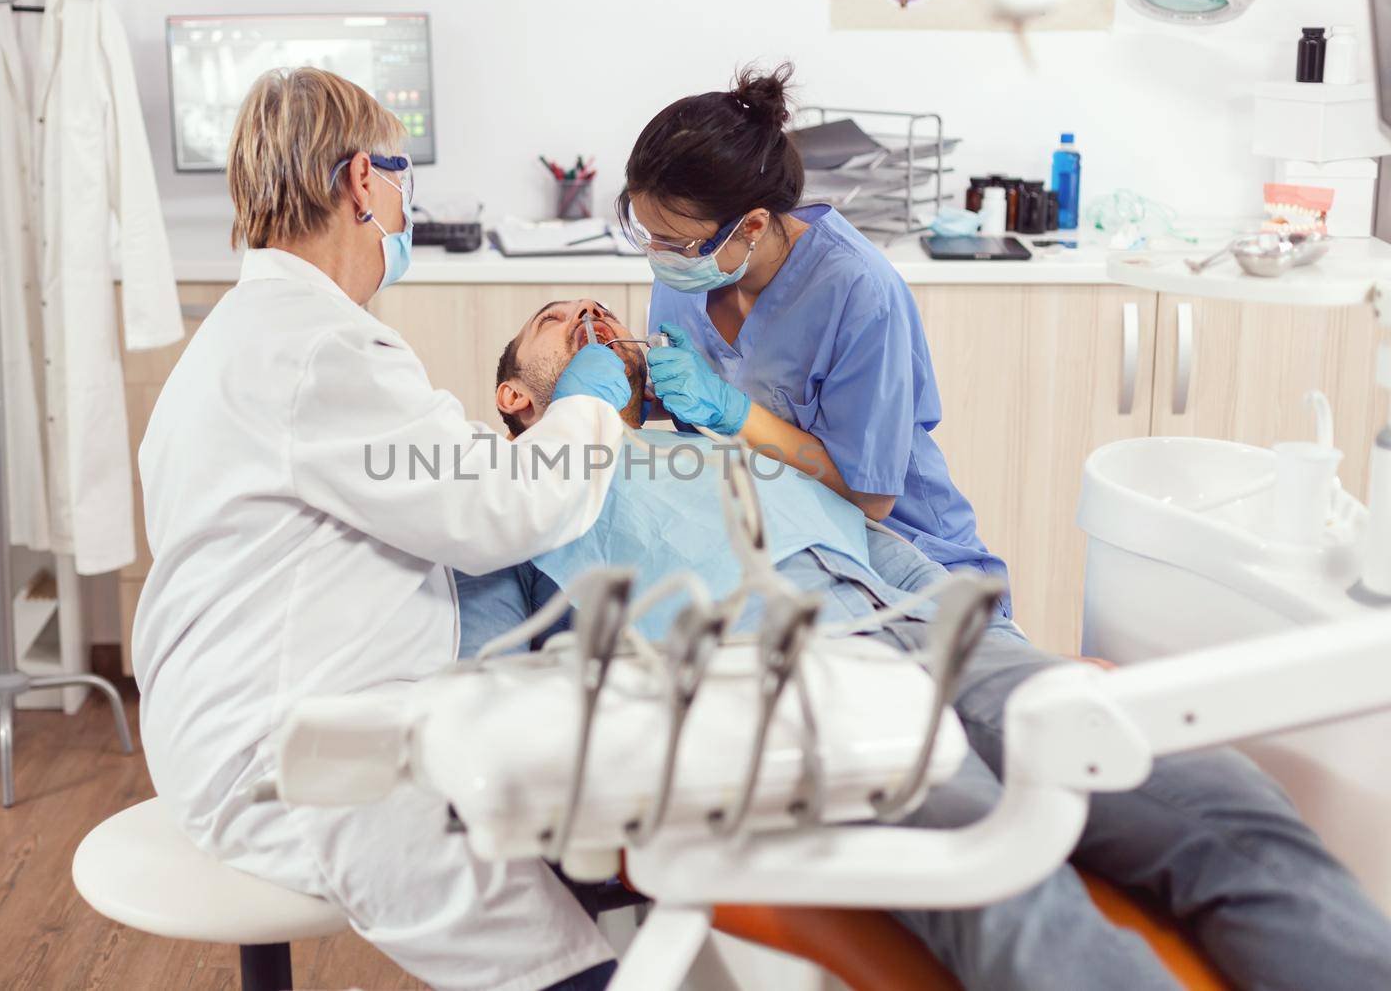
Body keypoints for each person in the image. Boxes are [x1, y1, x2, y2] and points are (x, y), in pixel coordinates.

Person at [458, 298, 1391, 990]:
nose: (588, 313)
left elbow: (888, 553)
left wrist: (1025, 660)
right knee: (1001, 869)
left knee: (1227, 806)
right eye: (555, 319)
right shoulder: (502, 503)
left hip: (942, 643)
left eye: (596, 309)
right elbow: (492, 685)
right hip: (789, 686)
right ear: (512, 392)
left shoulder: (722, 443)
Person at [131, 68, 632, 991]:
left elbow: (429, 479)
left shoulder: (260, 334)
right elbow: (499, 508)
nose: (405, 206)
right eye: (402, 179)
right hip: (297, 752)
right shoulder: (319, 347)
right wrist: (596, 402)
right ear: (364, 180)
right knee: (564, 965)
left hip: (240, 711)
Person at [619, 63, 1012, 614]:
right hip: (776, 539)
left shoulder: (858, 292)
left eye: (675, 243)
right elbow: (699, 397)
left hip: (900, 552)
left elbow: (870, 496)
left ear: (752, 225)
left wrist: (729, 408)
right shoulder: (686, 273)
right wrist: (625, 391)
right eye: (646, 235)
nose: (658, 256)